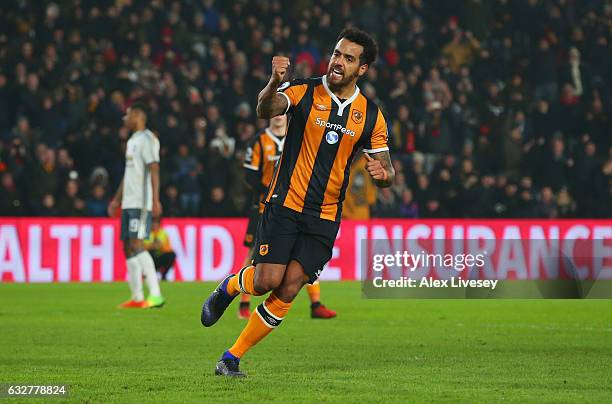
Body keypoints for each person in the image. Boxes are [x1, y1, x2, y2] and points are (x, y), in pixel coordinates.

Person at [201, 28, 395, 377]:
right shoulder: (305, 89)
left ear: (362, 69)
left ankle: (231, 358)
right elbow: (266, 109)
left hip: (325, 215)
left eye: (349, 58)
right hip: (285, 203)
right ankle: (230, 286)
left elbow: (388, 167)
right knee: (265, 282)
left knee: (290, 287)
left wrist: (385, 174)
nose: (338, 61)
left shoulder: (370, 114)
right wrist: (274, 82)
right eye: (337, 53)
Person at [238, 114, 337, 320]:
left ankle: (316, 303)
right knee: (254, 252)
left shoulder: (299, 137)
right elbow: (249, 175)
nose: (277, 117)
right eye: (273, 113)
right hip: (265, 208)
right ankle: (243, 303)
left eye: (281, 112)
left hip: (297, 206)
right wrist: (270, 193)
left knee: (304, 253)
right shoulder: (259, 141)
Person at [108, 102, 165, 309]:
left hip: (141, 203)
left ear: (138, 115)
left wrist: (155, 199)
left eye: (128, 114)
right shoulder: (132, 140)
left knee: (136, 244)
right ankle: (138, 297)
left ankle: (156, 294)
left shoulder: (147, 139)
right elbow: (128, 174)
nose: (125, 118)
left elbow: (154, 168)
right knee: (127, 247)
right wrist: (116, 199)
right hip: (128, 202)